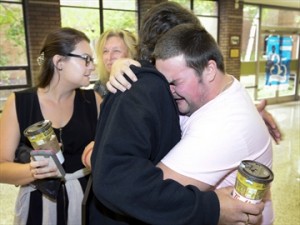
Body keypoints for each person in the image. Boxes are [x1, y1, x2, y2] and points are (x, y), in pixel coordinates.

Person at [88, 2, 264, 225]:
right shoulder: (149, 88)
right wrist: (212, 208)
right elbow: (119, 180)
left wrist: (250, 112)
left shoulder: (152, 84)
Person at [150, 23, 273, 225]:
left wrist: (103, 157)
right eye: (164, 83)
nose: (168, 91)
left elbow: (152, 196)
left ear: (209, 70)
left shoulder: (224, 126)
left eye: (175, 82)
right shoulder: (221, 90)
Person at [0, 27, 102, 225]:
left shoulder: (94, 101)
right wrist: (32, 172)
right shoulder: (19, 103)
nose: (92, 66)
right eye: (86, 59)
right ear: (59, 62)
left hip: (87, 204)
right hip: (38, 208)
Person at [93, 29, 137, 97]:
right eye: (105, 51)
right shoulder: (100, 87)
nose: (109, 57)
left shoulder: (140, 83)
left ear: (130, 54)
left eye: (116, 51)